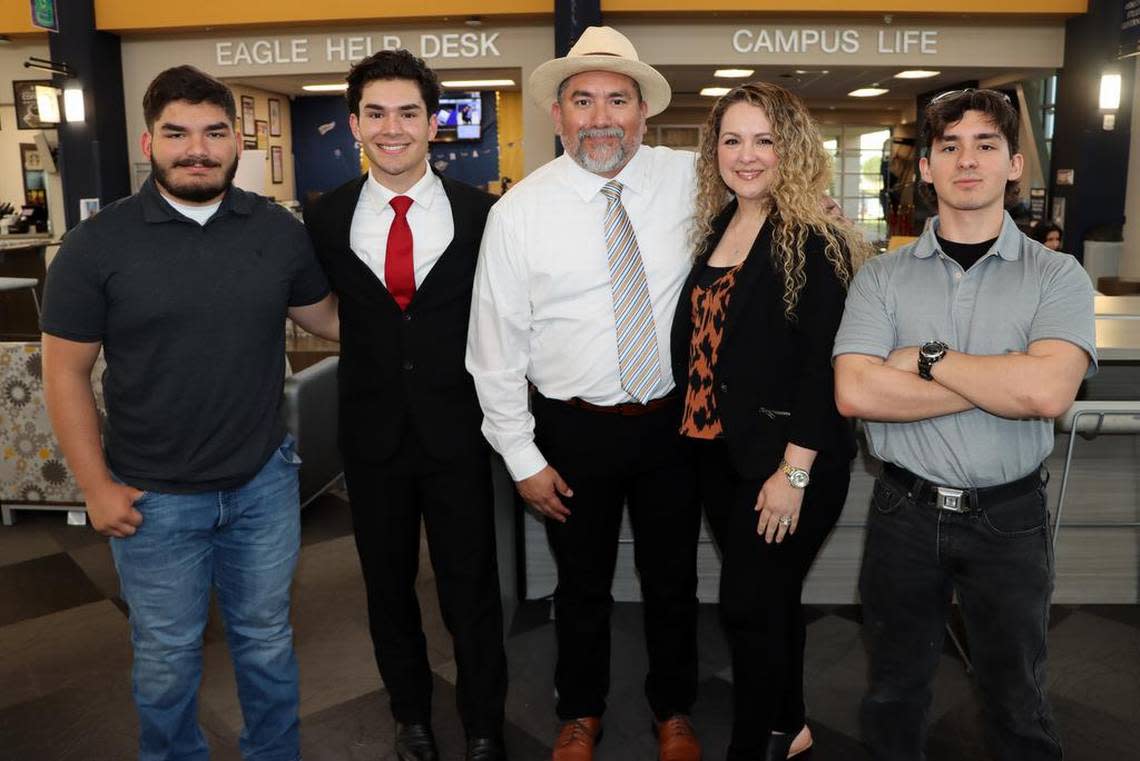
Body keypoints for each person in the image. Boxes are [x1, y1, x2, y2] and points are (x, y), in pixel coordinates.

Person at [40, 65, 339, 761]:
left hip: (263, 482)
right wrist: (95, 486)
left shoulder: (274, 230)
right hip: (152, 496)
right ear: (149, 143)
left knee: (267, 641)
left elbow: (324, 317)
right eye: (177, 133)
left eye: (213, 133)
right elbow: (65, 372)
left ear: (236, 143)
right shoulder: (97, 244)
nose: (196, 149)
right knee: (168, 657)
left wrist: (426, 316)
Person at [833, 89, 1096, 761]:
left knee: (1018, 700)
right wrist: (998, 378)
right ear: (925, 167)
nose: (967, 161)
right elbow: (854, 391)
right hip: (904, 511)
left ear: (1014, 164)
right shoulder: (881, 278)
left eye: (985, 145)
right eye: (949, 147)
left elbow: (1046, 393)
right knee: (893, 695)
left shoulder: (1057, 275)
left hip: (1009, 518)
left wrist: (929, 360)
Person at [466, 26, 702, 761]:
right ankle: (581, 710)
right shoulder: (518, 214)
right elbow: (494, 351)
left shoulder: (696, 180)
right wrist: (521, 457)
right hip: (573, 429)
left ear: (643, 113)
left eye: (618, 99)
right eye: (582, 100)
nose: (601, 116)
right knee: (582, 585)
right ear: (559, 115)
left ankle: (674, 708)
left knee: (673, 579)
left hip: (672, 427)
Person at [303, 50, 508, 761]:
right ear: (355, 122)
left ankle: (484, 723)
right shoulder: (324, 218)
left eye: (408, 113)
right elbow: (325, 311)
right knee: (387, 588)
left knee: (470, 589)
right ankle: (410, 715)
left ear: (432, 124)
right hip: (371, 435)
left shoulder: (484, 216)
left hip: (460, 432)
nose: (393, 128)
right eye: (377, 113)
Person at [672, 82, 869, 761]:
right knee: (773, 599)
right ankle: (791, 723)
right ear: (714, 151)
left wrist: (793, 472)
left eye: (765, 140)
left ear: (792, 150)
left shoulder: (815, 238)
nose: (747, 155)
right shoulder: (720, 224)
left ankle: (753, 744)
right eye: (732, 139)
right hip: (722, 456)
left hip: (790, 462)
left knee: (747, 607)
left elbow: (824, 367)